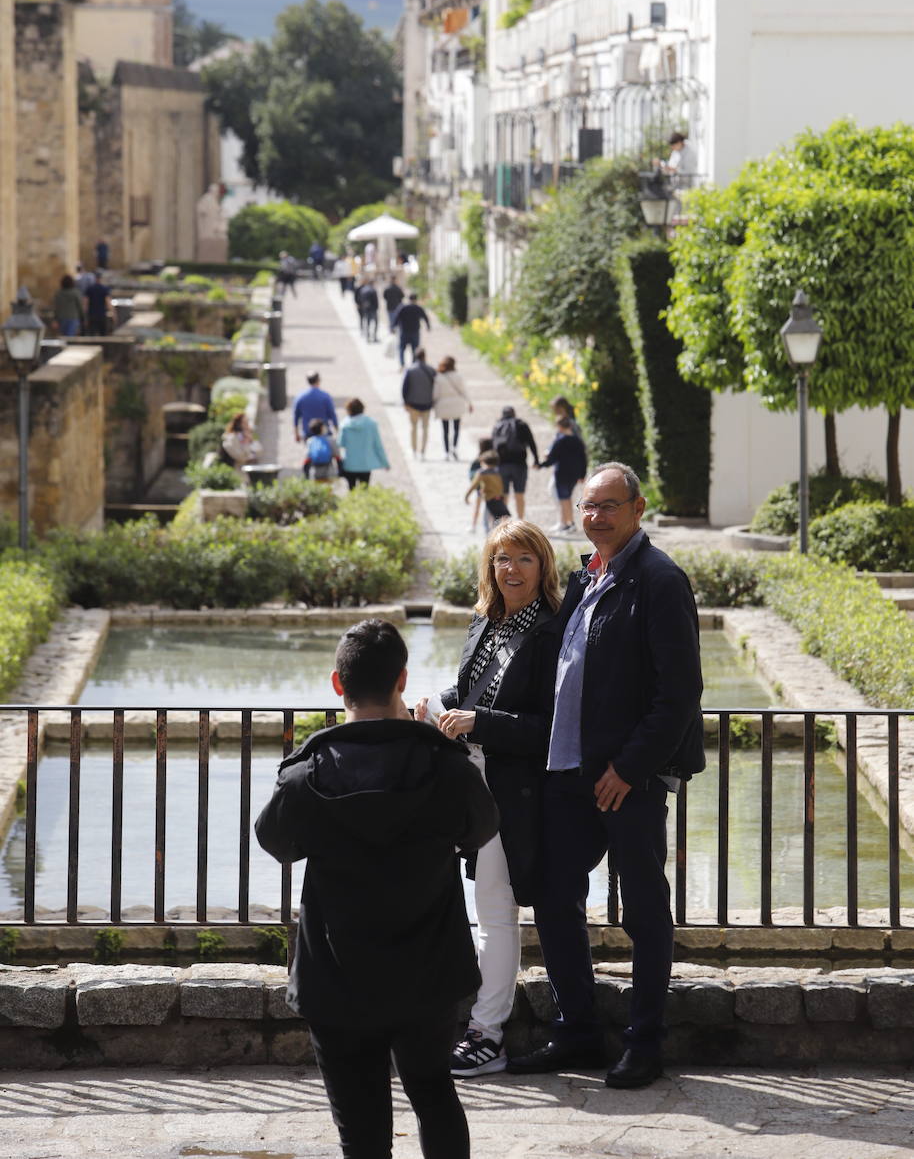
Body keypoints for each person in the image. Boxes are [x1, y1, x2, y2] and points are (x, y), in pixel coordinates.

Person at [255, 619, 499, 1159]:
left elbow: (276, 842)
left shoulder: (306, 776)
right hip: (428, 969)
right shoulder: (447, 768)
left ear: (338, 685)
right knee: (434, 1091)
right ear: (402, 680)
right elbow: (479, 830)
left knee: (359, 1125)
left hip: (338, 975)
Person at [507, 461, 704, 1089]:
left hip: (627, 781)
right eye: (588, 506)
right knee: (553, 899)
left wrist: (630, 767)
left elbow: (678, 696)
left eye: (609, 505)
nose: (596, 516)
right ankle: (579, 1032)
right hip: (568, 774)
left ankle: (644, 1043)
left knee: (644, 911)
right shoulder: (586, 577)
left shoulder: (659, 580)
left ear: (638, 509)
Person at [415, 522, 562, 1077]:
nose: (511, 570)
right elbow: (470, 692)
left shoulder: (551, 630)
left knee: (497, 915)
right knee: (487, 912)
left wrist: (483, 722)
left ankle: (487, 1033)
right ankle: (483, 1027)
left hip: (516, 793)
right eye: (502, 559)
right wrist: (436, 702)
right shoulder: (486, 622)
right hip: (473, 785)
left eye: (523, 559)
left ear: (541, 565)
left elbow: (552, 727)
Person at [541, 416, 588, 534]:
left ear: (560, 427)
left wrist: (542, 464)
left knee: (563, 499)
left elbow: (552, 458)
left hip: (562, 473)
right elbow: (583, 458)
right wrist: (582, 474)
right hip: (574, 474)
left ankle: (569, 524)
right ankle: (568, 523)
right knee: (568, 498)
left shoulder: (560, 440)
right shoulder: (577, 440)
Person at [491, 406, 540, 520]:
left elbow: (493, 446)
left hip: (502, 465)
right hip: (520, 465)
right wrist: (536, 460)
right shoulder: (521, 425)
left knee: (504, 495)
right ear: (514, 413)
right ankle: (520, 520)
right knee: (519, 494)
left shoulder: (497, 426)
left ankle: (503, 522)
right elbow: (531, 443)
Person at [338, 397, 389, 488]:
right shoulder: (371, 424)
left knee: (352, 490)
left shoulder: (344, 424)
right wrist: (385, 463)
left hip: (350, 463)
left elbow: (341, 443)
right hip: (365, 464)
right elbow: (378, 446)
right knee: (364, 490)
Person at [433, 355, 472, 460]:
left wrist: (433, 404)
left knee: (445, 430)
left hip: (443, 405)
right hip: (457, 405)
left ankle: (446, 451)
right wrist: (470, 403)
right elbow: (464, 391)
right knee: (456, 429)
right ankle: (454, 447)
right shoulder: (458, 376)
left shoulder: (439, 377)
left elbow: (435, 394)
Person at [401, 347, 436, 459]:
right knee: (425, 428)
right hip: (427, 403)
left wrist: (405, 402)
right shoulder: (431, 370)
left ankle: (414, 449)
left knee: (413, 428)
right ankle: (423, 451)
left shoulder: (410, 370)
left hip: (413, 404)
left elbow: (405, 388)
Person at [464, 451, 510, 524]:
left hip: (490, 499)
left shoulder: (482, 473)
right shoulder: (499, 472)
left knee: (489, 518)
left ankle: (491, 532)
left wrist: (466, 496)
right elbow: (503, 486)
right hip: (499, 498)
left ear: (484, 462)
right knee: (500, 517)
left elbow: (474, 485)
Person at [293, 371, 338, 443]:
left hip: (308, 432)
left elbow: (296, 417)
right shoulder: (325, 396)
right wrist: (337, 430)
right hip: (324, 432)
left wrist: (296, 433)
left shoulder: (300, 397)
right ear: (318, 380)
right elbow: (332, 415)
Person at [391, 292, 431, 369]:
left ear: (409, 299)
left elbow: (396, 317)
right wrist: (428, 326)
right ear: (416, 299)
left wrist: (393, 327)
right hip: (415, 332)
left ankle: (402, 364)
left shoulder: (403, 307)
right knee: (415, 349)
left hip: (404, 331)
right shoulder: (418, 308)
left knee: (402, 349)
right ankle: (413, 364)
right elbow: (425, 317)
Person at [467, 437, 494, 531]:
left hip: (480, 488)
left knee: (477, 506)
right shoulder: (493, 459)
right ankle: (490, 526)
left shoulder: (478, 459)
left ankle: (473, 525)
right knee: (489, 509)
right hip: (490, 489)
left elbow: (471, 474)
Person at [84, 272, 111, 337]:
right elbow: (108, 302)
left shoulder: (89, 289)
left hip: (92, 314)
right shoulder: (104, 289)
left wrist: (85, 315)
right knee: (103, 334)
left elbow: (85, 303)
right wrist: (113, 313)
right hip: (101, 314)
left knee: (92, 334)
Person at [356, 278, 380, 342]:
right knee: (375, 323)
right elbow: (376, 301)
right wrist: (377, 308)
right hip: (372, 309)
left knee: (367, 323)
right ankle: (374, 336)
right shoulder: (372, 290)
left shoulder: (363, 290)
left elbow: (359, 299)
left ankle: (368, 336)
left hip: (365, 309)